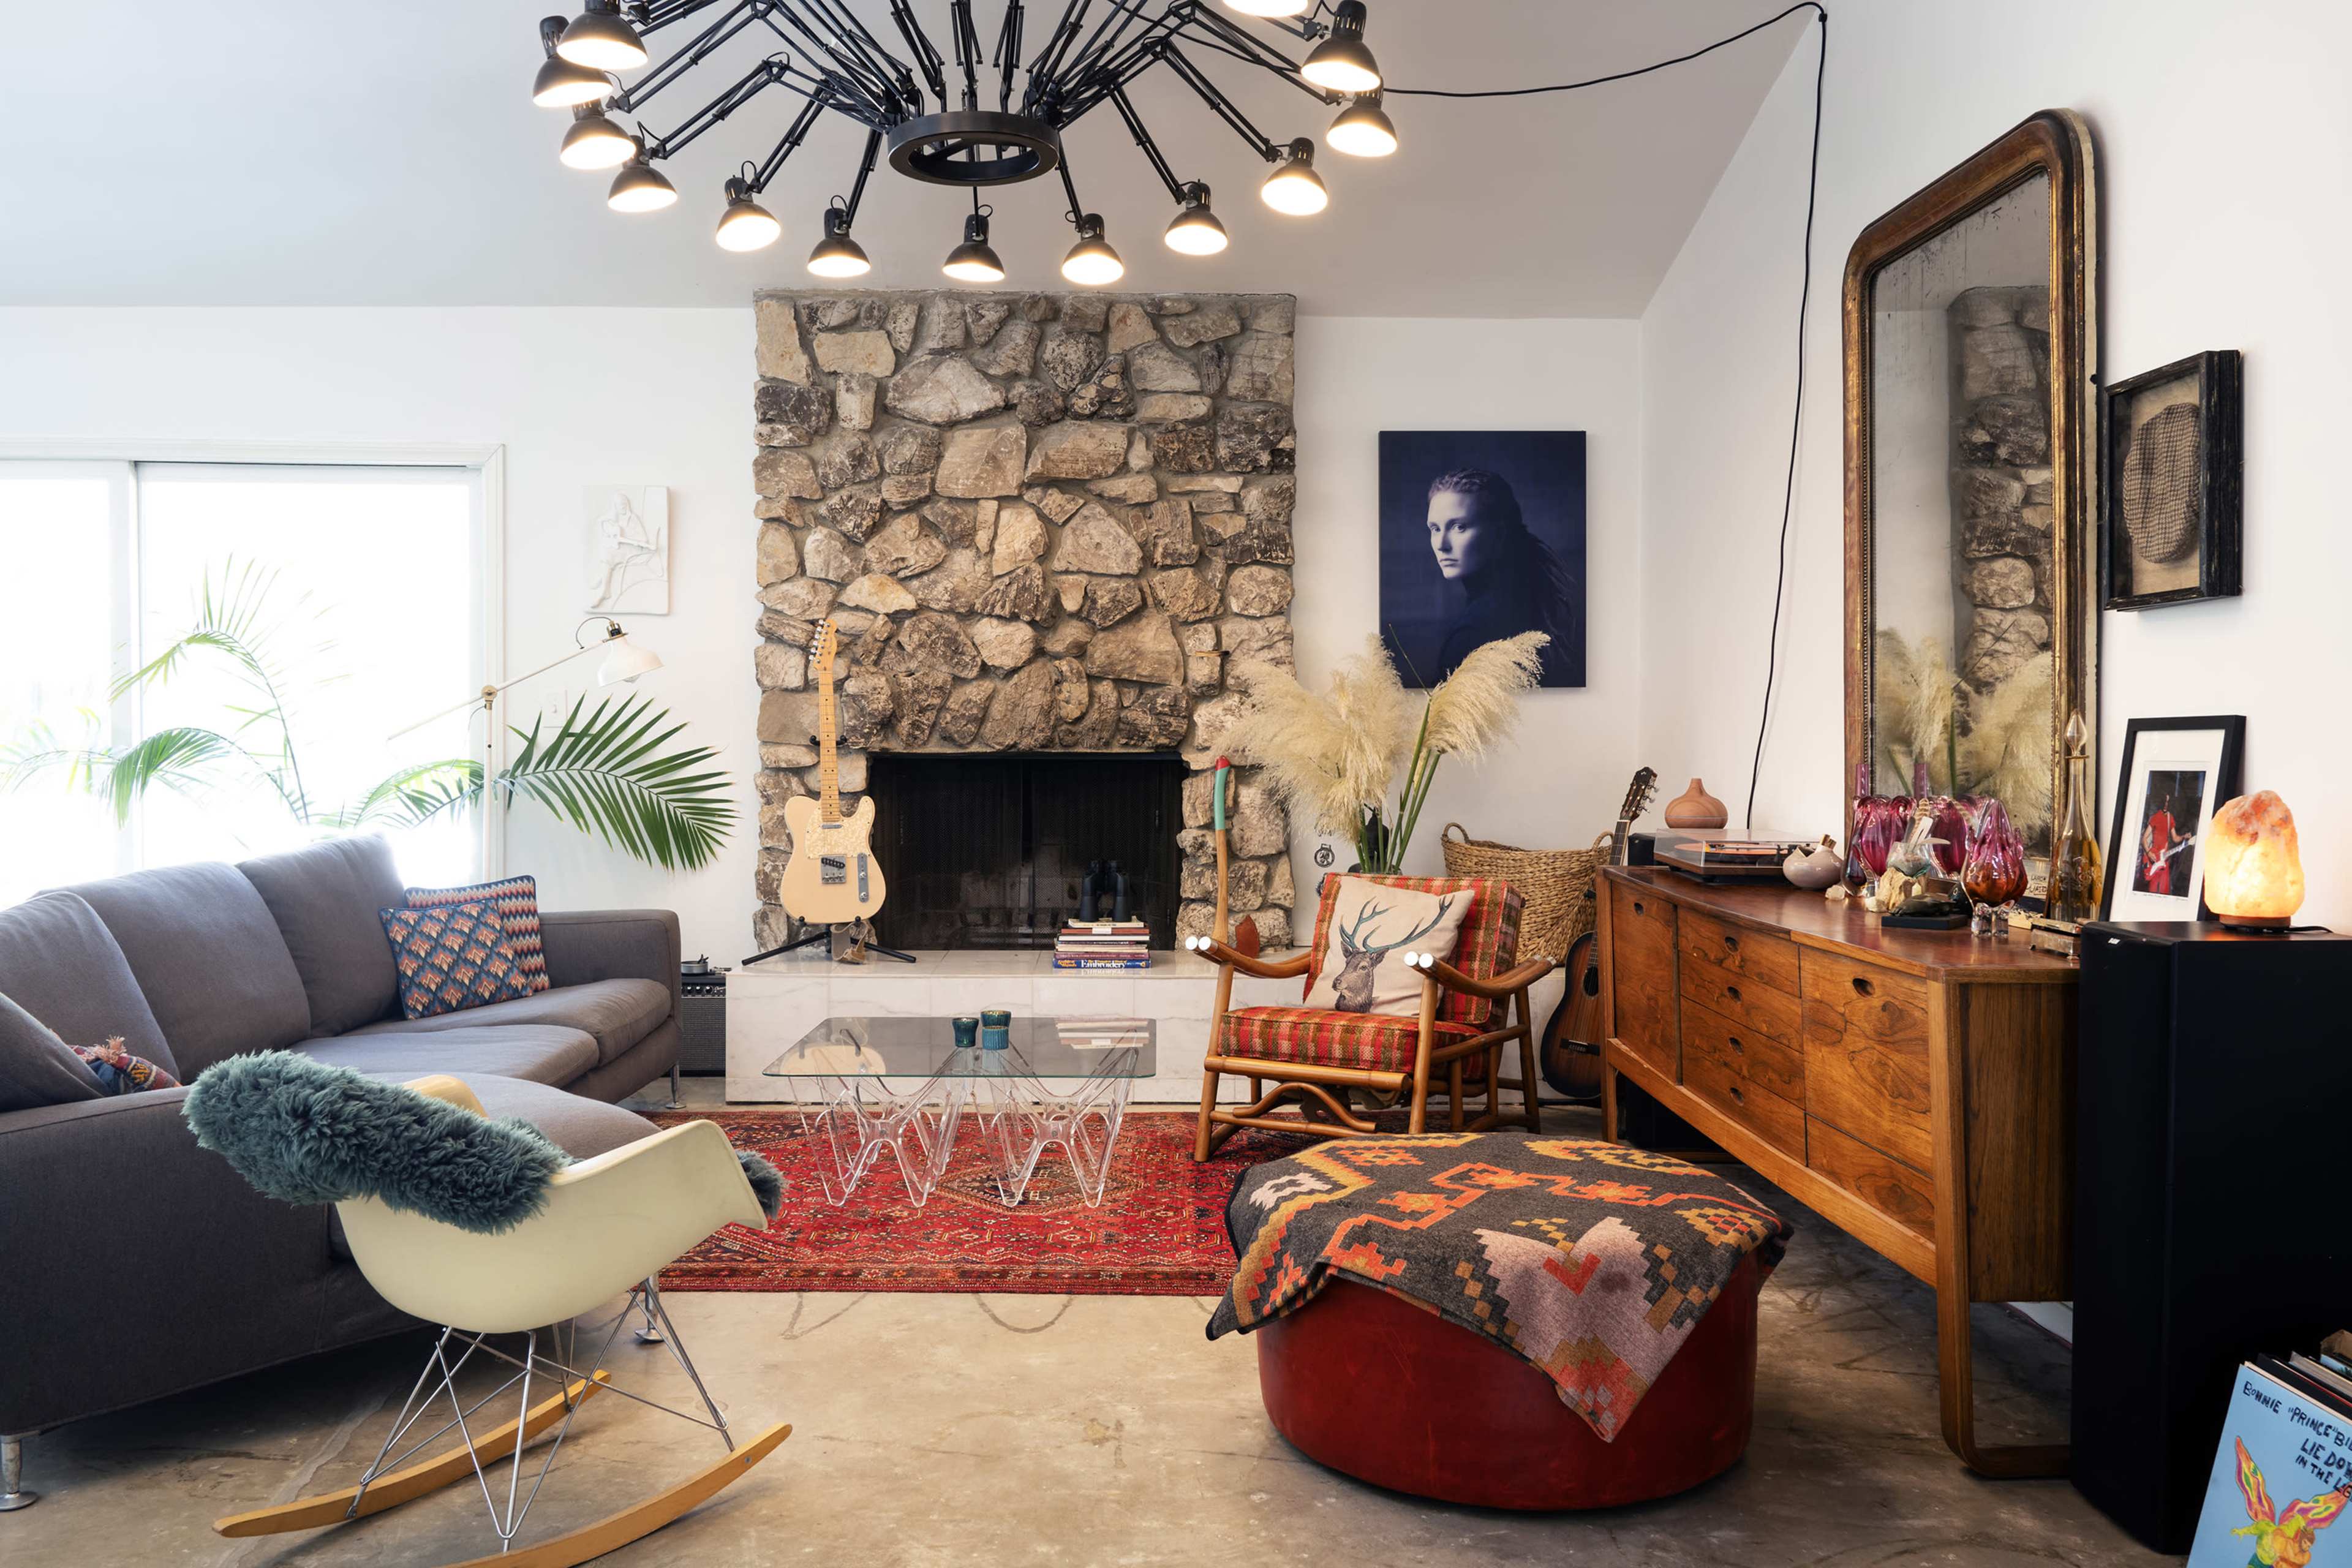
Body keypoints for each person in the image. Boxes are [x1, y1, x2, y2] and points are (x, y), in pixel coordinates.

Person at [1422, 468, 1583, 686]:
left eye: (1459, 527)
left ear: (1499, 533)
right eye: (1435, 529)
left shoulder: (1474, 633)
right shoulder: (1530, 595)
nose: (1441, 545)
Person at [2140, 792, 2184, 896]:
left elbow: (2175, 838)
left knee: (2164, 892)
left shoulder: (2170, 818)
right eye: (2165, 801)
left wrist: (2184, 837)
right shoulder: (2156, 817)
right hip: (2154, 858)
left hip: (2165, 859)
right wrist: (2149, 853)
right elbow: (2144, 839)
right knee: (2152, 891)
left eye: (2168, 802)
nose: (2166, 804)